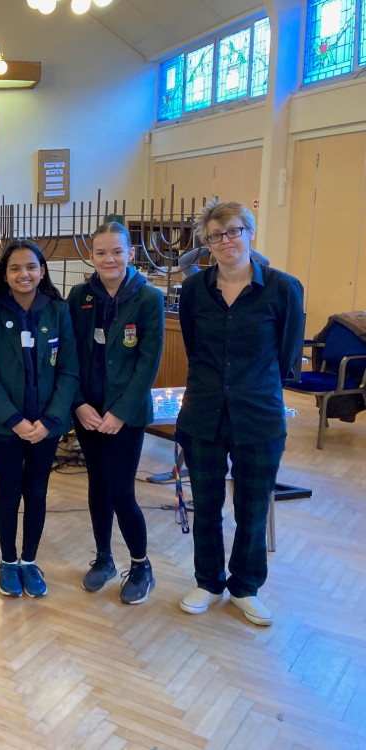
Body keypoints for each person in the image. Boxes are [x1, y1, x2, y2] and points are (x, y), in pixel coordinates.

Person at [176, 200, 304, 626]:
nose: (225, 241)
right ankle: (209, 581)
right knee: (207, 504)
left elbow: (286, 355)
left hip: (259, 414)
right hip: (204, 412)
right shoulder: (194, 290)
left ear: (250, 232)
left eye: (233, 231)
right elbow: (194, 349)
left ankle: (245, 586)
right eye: (214, 236)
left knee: (251, 506)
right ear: (206, 245)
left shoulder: (283, 288)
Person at [0, 240, 79, 598]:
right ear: (5, 274)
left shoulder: (58, 311)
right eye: (15, 268)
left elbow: (68, 371)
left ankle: (29, 562)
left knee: (36, 492)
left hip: (46, 426)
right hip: (5, 424)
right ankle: (7, 561)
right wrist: (14, 420)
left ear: (42, 271)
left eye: (31, 267)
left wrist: (50, 420)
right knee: (8, 491)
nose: (24, 274)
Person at [67, 222, 165, 604]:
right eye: (101, 252)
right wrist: (78, 403)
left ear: (131, 254)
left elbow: (148, 362)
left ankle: (141, 565)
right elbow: (69, 355)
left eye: (117, 252)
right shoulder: (79, 296)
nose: (110, 259)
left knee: (122, 489)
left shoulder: (148, 298)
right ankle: (104, 558)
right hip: (88, 412)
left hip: (127, 414)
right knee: (98, 486)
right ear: (91, 257)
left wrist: (120, 412)